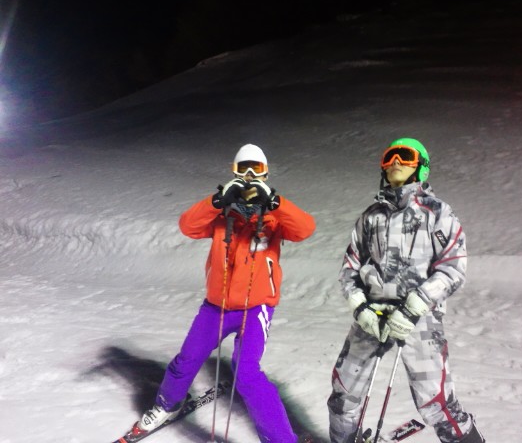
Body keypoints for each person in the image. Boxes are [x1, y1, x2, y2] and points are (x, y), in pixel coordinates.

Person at [132, 143, 316, 443]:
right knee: (187, 358)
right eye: (243, 169)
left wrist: (276, 202)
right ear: (233, 172)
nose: (249, 175)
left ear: (266, 174)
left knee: (248, 375)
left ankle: (281, 439)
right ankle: (166, 405)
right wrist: (216, 201)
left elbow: (305, 229)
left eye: (256, 169)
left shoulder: (274, 218)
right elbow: (188, 226)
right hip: (216, 308)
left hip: (255, 309)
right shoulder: (222, 215)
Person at [327, 138, 485, 443]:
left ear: (421, 167)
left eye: (406, 156)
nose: (396, 161)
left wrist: (413, 308)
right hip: (373, 316)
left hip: (418, 319)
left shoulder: (437, 212)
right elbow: (350, 267)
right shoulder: (371, 216)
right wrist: (360, 306)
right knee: (343, 396)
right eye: (390, 156)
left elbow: (453, 267)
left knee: (437, 404)